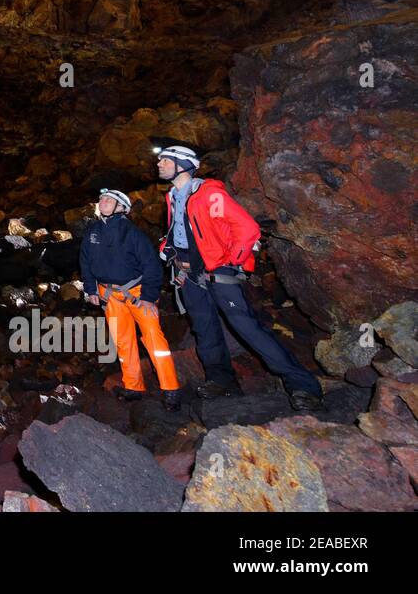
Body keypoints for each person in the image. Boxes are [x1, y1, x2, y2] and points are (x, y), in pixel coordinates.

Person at [155, 145, 324, 412]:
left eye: (166, 160)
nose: (160, 164)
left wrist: (232, 261)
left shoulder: (208, 193)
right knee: (204, 329)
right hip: (188, 274)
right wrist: (167, 249)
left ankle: (303, 385)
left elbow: (247, 228)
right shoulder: (173, 196)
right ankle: (221, 381)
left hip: (218, 272)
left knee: (247, 328)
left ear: (183, 165)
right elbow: (184, 232)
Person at [80, 188, 181, 411]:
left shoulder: (132, 233)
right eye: (101, 199)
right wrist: (91, 290)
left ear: (120, 208)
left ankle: (171, 389)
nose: (103, 201)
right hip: (109, 295)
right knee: (123, 342)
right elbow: (85, 263)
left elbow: (152, 265)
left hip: (137, 293)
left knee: (154, 339)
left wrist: (148, 297)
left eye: (109, 200)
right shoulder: (92, 232)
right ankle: (134, 387)